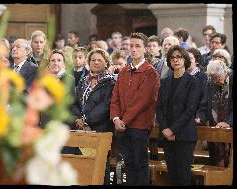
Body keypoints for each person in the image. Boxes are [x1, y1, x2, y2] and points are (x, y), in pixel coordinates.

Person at [110, 32, 160, 185]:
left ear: (145, 49)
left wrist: (123, 120)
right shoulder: (124, 71)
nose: (133, 49)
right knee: (129, 164)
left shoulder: (150, 72)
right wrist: (116, 118)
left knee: (140, 164)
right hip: (122, 126)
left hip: (140, 126)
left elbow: (142, 101)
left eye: (137, 46)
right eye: (131, 46)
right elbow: (115, 97)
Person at [156, 45, 200, 186]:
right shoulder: (165, 81)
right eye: (172, 57)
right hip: (167, 134)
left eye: (179, 57)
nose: (176, 60)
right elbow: (160, 108)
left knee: (183, 176)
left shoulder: (193, 82)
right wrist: (165, 129)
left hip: (184, 135)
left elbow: (189, 109)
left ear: (185, 59)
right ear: (169, 61)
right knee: (172, 175)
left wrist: (172, 130)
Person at [71, 48, 115, 184]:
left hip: (100, 129)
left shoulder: (110, 82)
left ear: (106, 63)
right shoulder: (83, 81)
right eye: (93, 60)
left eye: (99, 60)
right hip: (81, 130)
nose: (96, 62)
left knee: (100, 166)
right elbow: (74, 103)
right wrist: (79, 120)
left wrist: (86, 121)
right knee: (84, 165)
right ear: (88, 62)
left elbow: (105, 106)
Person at [205, 59, 233, 167]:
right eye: (212, 78)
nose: (214, 81)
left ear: (225, 72)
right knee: (214, 160)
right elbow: (205, 103)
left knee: (228, 161)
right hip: (214, 127)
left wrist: (228, 122)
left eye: (217, 77)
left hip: (229, 128)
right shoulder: (210, 82)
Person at [186, 48, 208, 125]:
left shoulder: (202, 77)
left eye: (190, 58)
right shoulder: (180, 77)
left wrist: (199, 117)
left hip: (195, 121)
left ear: (197, 61)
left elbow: (203, 100)